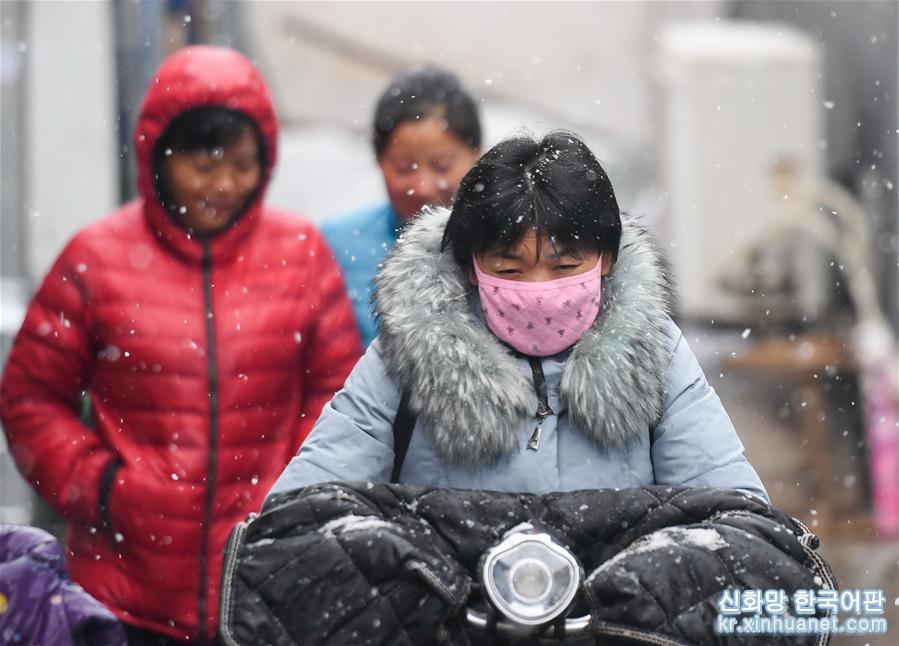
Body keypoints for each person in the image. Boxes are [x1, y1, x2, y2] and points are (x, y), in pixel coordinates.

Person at [0, 46, 363, 644]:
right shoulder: (96, 259)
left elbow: (340, 396)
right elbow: (30, 398)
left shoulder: (301, 254)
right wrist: (102, 488)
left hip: (267, 580)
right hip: (122, 593)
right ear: (156, 155)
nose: (224, 185)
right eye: (203, 163)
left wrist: (295, 493)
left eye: (243, 165)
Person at [269, 131, 769, 502]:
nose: (537, 290)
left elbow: (730, 511)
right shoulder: (405, 355)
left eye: (565, 266)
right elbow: (311, 508)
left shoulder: (655, 353)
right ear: (470, 267)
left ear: (606, 261)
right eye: (509, 267)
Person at [321, 66, 482, 346]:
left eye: (441, 166)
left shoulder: (503, 243)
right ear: (379, 161)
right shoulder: (336, 245)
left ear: (477, 156)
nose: (423, 187)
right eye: (405, 167)